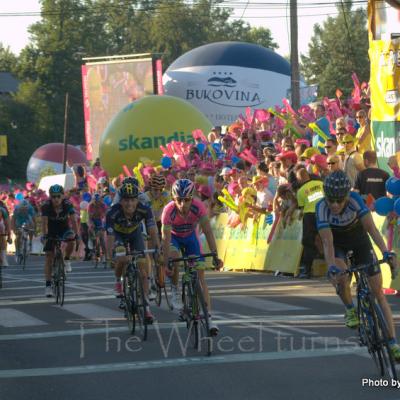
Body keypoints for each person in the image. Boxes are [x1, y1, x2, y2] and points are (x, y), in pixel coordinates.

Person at [315, 171, 400, 360]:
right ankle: (349, 308)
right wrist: (331, 268)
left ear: (346, 196)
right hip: (338, 245)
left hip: (359, 241)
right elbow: (328, 243)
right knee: (341, 276)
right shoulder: (321, 207)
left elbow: (371, 229)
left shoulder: (354, 199)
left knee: (378, 293)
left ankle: (393, 342)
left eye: (339, 200)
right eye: (331, 200)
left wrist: (386, 252)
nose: (335, 205)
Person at [161, 179, 223, 335]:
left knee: (200, 276)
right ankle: (175, 289)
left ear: (192, 197)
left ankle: (208, 319)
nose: (182, 204)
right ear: (173, 199)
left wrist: (215, 255)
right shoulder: (168, 211)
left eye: (186, 200)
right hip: (174, 238)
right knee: (174, 258)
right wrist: (166, 261)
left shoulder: (199, 207)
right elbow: (166, 239)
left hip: (190, 237)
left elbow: (208, 231)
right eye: (179, 200)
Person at [106, 181, 160, 323]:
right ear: (120, 200)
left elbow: (152, 231)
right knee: (123, 258)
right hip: (119, 235)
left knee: (143, 273)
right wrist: (109, 254)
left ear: (137, 200)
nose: (129, 204)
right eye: (125, 200)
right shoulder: (113, 212)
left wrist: (157, 247)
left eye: (132, 200)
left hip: (135, 234)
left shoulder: (144, 209)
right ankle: (118, 281)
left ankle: (147, 309)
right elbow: (110, 236)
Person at [41, 185, 79, 297]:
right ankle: (48, 286)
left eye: (58, 196)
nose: (56, 199)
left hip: (64, 228)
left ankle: (66, 260)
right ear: (50, 197)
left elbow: (73, 220)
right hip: (51, 230)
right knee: (49, 256)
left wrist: (77, 235)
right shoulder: (46, 206)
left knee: (71, 240)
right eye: (53, 197)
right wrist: (45, 236)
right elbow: (44, 223)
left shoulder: (67, 204)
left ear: (62, 196)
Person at [295, 168, 324, 278]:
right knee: (328, 239)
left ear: (300, 178)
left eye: (297, 178)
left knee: (308, 243)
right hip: (323, 213)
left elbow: (302, 207)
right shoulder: (321, 184)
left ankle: (307, 270)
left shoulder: (301, 191)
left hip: (310, 216)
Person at [88, 193, 108, 262]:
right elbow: (89, 218)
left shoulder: (103, 205)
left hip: (101, 220)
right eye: (95, 201)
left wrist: (103, 225)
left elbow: (105, 217)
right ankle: (93, 245)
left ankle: (105, 255)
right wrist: (91, 224)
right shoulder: (91, 206)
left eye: (98, 201)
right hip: (94, 220)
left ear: (100, 200)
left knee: (102, 239)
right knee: (90, 232)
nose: (97, 203)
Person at [0, 202, 11, 266]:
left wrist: (9, 236)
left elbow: (7, 223)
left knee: (2, 239)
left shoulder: (3, 210)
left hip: (1, 225)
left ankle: (4, 259)